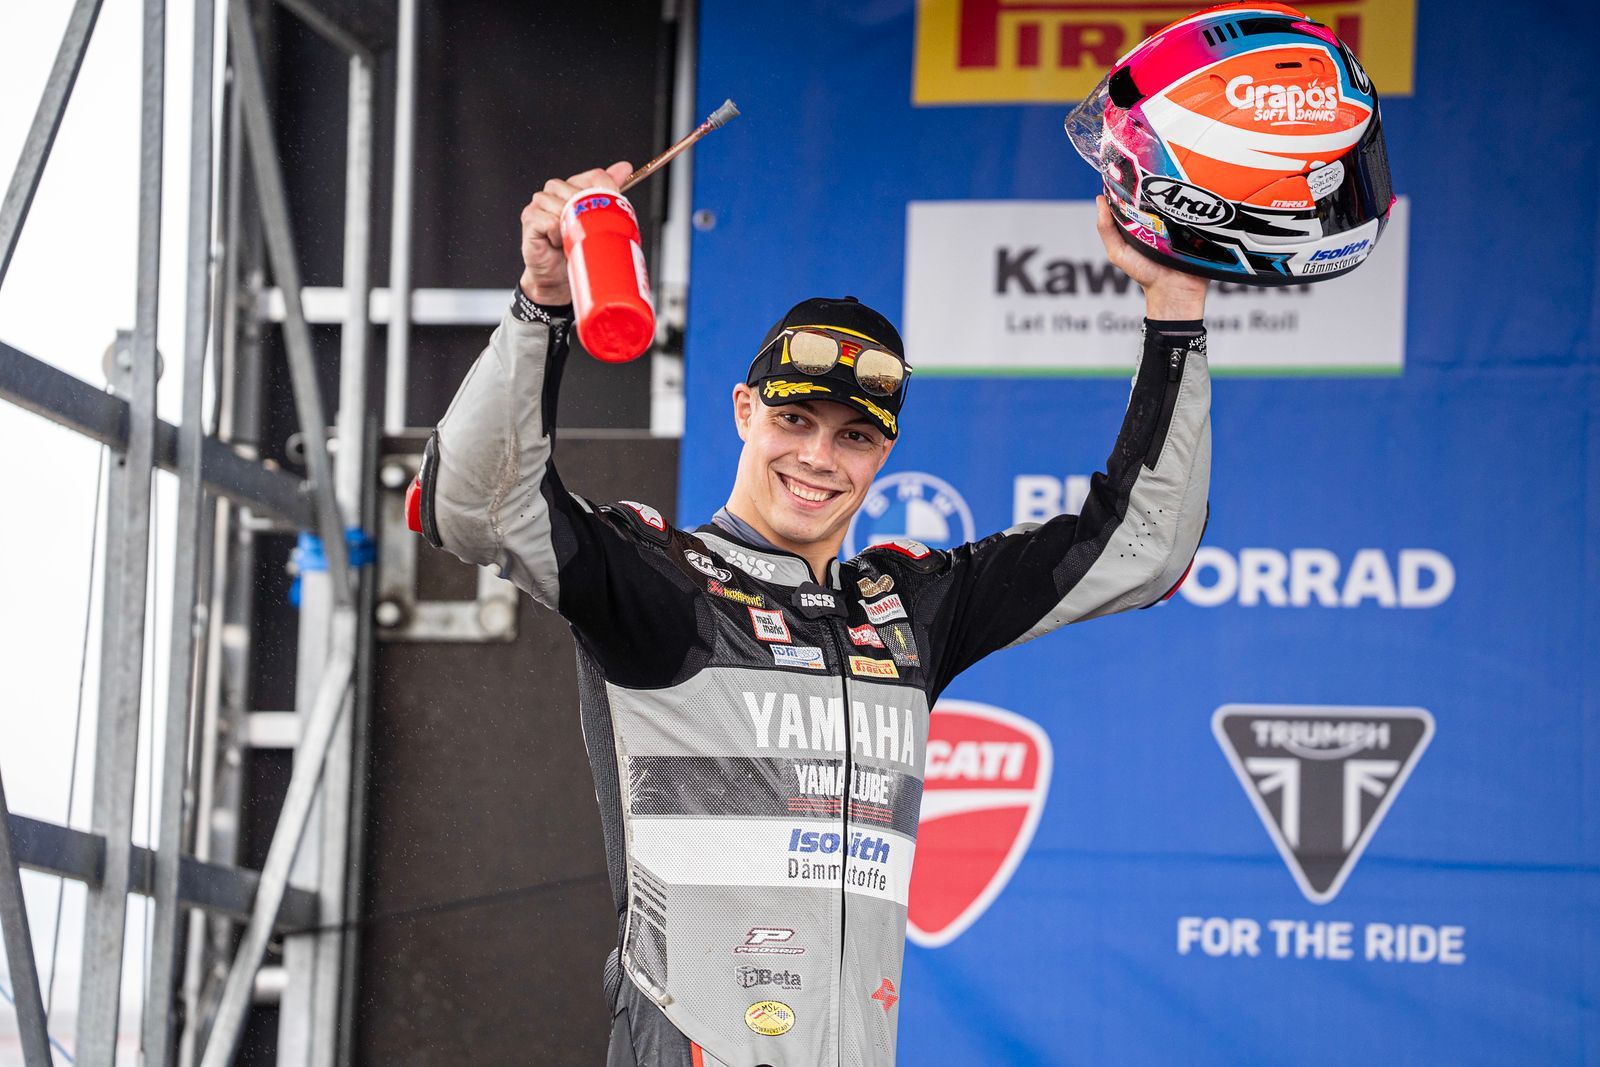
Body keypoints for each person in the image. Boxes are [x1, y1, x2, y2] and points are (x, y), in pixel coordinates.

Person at [412, 161, 1211, 1067]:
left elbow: (1143, 545)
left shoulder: (911, 606)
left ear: (884, 453)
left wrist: (1175, 309)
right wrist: (543, 301)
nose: (820, 457)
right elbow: (471, 507)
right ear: (744, 411)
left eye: (854, 435)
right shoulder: (661, 581)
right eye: (795, 420)